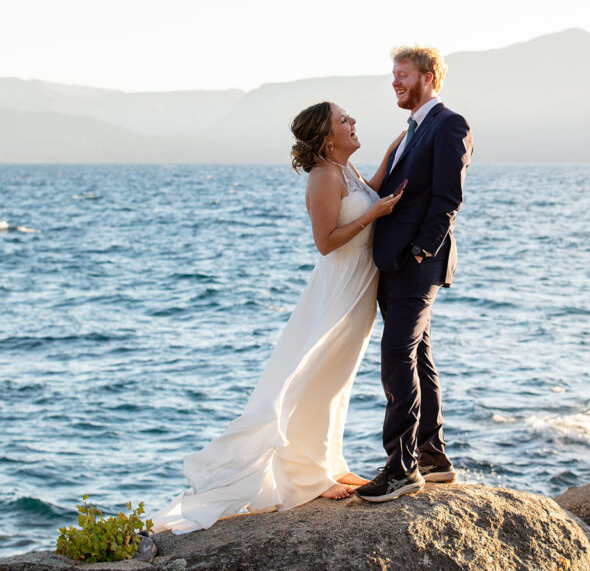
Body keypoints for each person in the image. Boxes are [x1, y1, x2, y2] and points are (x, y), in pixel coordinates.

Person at [152, 101, 405, 533]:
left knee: (336, 380)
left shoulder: (345, 169)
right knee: (314, 376)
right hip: (339, 286)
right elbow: (326, 242)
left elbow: (373, 189)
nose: (353, 122)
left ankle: (327, 463)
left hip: (359, 286)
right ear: (328, 137)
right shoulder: (323, 176)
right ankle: (305, 477)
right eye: (344, 120)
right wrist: (374, 215)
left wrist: (393, 153)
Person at [356, 46, 473, 503]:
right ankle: (433, 457)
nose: (394, 83)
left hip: (417, 261)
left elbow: (448, 198)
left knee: (396, 354)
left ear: (428, 77)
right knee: (418, 355)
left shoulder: (449, 124)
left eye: (402, 75)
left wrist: (423, 250)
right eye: (393, 75)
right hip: (396, 260)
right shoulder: (410, 131)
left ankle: (401, 468)